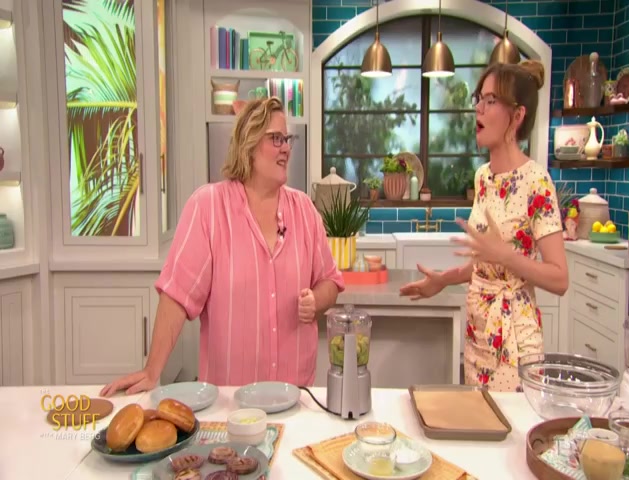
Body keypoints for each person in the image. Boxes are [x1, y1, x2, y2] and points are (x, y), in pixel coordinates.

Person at [101, 97, 344, 396]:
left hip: (295, 395)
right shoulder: (209, 208)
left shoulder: (304, 210)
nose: (286, 148)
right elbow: (177, 295)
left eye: (287, 139)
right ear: (249, 143)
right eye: (276, 139)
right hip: (229, 404)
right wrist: (152, 371)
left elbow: (330, 281)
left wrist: (316, 301)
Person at [399, 60, 568, 392]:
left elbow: (560, 278)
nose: (478, 108)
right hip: (478, 335)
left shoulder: (537, 181)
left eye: (491, 100)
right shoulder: (483, 177)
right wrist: (444, 280)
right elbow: (486, 264)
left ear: (517, 116)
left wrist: (506, 255)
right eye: (479, 98)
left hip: (514, 342)